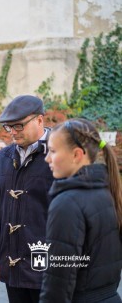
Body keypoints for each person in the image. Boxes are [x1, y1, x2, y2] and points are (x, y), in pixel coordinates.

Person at [40, 119, 122, 302]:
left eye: (52, 151)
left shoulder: (67, 203)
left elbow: (58, 278)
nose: (47, 159)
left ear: (77, 154)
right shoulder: (109, 192)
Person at [0, 95, 54, 303]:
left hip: (49, 266)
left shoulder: (59, 154)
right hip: (12, 264)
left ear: (40, 120)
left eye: (18, 126)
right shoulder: (2, 158)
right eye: (8, 127)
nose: (13, 132)